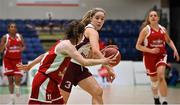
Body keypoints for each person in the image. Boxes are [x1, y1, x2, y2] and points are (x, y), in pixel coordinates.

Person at [17, 20, 115, 104]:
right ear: (80, 35)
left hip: (53, 82)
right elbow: (84, 62)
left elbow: (44, 55)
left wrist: (30, 65)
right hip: (44, 81)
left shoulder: (64, 43)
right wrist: (104, 60)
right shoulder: (67, 46)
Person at [60, 8, 116, 105]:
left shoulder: (86, 30)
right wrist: (109, 68)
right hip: (69, 66)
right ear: (91, 18)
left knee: (97, 92)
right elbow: (95, 52)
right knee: (62, 101)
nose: (99, 21)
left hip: (79, 66)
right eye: (97, 18)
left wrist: (101, 52)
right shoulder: (92, 31)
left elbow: (89, 56)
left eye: (102, 19)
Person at [136, 10, 180, 105]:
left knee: (161, 76)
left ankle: (164, 100)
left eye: (155, 15)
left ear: (158, 18)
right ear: (148, 18)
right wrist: (151, 50)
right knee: (154, 82)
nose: (153, 17)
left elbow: (169, 41)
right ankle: (156, 98)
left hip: (161, 55)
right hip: (149, 57)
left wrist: (175, 50)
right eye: (151, 15)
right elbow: (138, 46)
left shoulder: (163, 29)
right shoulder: (145, 30)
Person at [0, 22, 26, 104]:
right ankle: (12, 100)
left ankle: (17, 88)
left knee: (17, 79)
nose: (13, 28)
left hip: (17, 60)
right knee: (10, 80)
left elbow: (24, 46)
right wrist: (5, 46)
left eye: (14, 27)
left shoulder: (19, 36)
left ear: (16, 29)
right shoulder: (5, 37)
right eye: (11, 27)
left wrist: (21, 49)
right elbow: (0, 50)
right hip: (8, 61)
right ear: (8, 29)